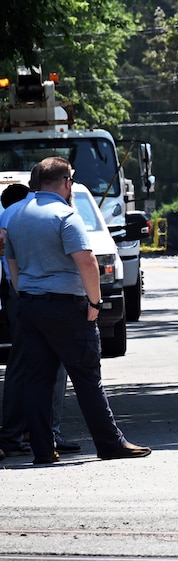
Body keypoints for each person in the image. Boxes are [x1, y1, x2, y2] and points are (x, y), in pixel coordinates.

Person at [4, 157, 150, 463]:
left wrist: (27, 295)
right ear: (66, 182)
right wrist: (95, 303)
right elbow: (87, 261)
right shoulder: (66, 215)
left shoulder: (15, 216)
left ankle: (43, 450)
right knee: (86, 377)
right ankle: (110, 443)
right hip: (66, 305)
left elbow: (12, 264)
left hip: (30, 304)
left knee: (37, 380)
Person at [0, 179, 73, 458]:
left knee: (26, 365)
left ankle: (24, 432)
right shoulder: (36, 211)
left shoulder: (16, 213)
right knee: (48, 366)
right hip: (38, 295)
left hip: (22, 295)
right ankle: (41, 432)